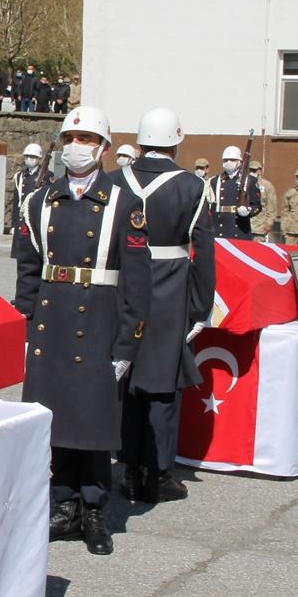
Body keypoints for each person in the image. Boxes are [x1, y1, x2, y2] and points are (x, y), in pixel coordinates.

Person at [13, 105, 152, 555]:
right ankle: (64, 504)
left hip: (98, 321)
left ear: (104, 147)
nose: (77, 147)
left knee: (93, 421)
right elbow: (29, 272)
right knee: (55, 419)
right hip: (52, 323)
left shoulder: (124, 203)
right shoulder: (40, 201)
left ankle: (93, 509)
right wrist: (25, 328)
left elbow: (138, 282)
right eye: (71, 139)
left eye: (88, 139)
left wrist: (127, 344)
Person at [110, 107, 214, 505]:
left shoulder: (114, 179)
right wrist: (201, 306)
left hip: (122, 284)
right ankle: (157, 473)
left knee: (126, 376)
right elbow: (203, 253)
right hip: (169, 287)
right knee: (162, 383)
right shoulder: (192, 186)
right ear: (176, 141)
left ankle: (128, 467)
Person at [207, 146, 261, 239]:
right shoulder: (214, 181)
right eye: (226, 160)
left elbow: (257, 206)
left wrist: (248, 211)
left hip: (239, 229)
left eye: (232, 160)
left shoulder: (250, 180)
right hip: (219, 228)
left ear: (239, 162)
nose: (229, 162)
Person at [10, 142, 45, 258]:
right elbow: (17, 202)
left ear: (39, 159)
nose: (30, 159)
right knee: (21, 254)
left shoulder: (46, 176)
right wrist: (14, 224)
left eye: (33, 157)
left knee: (35, 252)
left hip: (36, 216)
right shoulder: (20, 176)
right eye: (27, 156)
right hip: (22, 218)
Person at [249, 161, 278, 242]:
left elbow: (272, 208)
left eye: (254, 170)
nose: (252, 172)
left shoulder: (267, 186)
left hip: (259, 228)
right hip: (244, 228)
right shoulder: (243, 184)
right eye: (250, 170)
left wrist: (268, 224)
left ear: (260, 171)